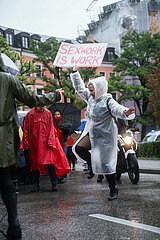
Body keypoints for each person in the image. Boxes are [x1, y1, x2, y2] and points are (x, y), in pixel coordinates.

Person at [0, 52, 61, 240]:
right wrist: (55, 95)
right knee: (5, 182)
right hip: (3, 141)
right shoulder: (8, 79)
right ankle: (14, 224)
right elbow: (33, 99)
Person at [70, 66, 135, 201]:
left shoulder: (108, 100)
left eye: (92, 90)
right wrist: (75, 73)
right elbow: (80, 89)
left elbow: (117, 108)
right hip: (92, 132)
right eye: (90, 90)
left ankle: (113, 189)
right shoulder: (90, 97)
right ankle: (92, 167)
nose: (90, 93)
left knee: (106, 165)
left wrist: (125, 112)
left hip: (106, 136)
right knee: (79, 148)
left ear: (100, 89)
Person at [21, 106, 67, 192]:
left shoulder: (48, 113)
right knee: (35, 164)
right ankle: (36, 184)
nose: (42, 107)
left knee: (49, 163)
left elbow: (51, 129)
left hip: (46, 144)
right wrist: (26, 142)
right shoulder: (30, 114)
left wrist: (50, 141)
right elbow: (26, 129)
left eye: (43, 105)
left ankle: (54, 183)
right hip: (34, 143)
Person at [53, 110, 70, 183]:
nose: (57, 116)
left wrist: (62, 130)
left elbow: (68, 130)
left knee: (64, 158)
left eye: (58, 114)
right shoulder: (52, 123)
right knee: (56, 160)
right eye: (55, 114)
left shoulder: (64, 122)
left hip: (63, 143)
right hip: (55, 143)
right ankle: (57, 176)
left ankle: (64, 176)